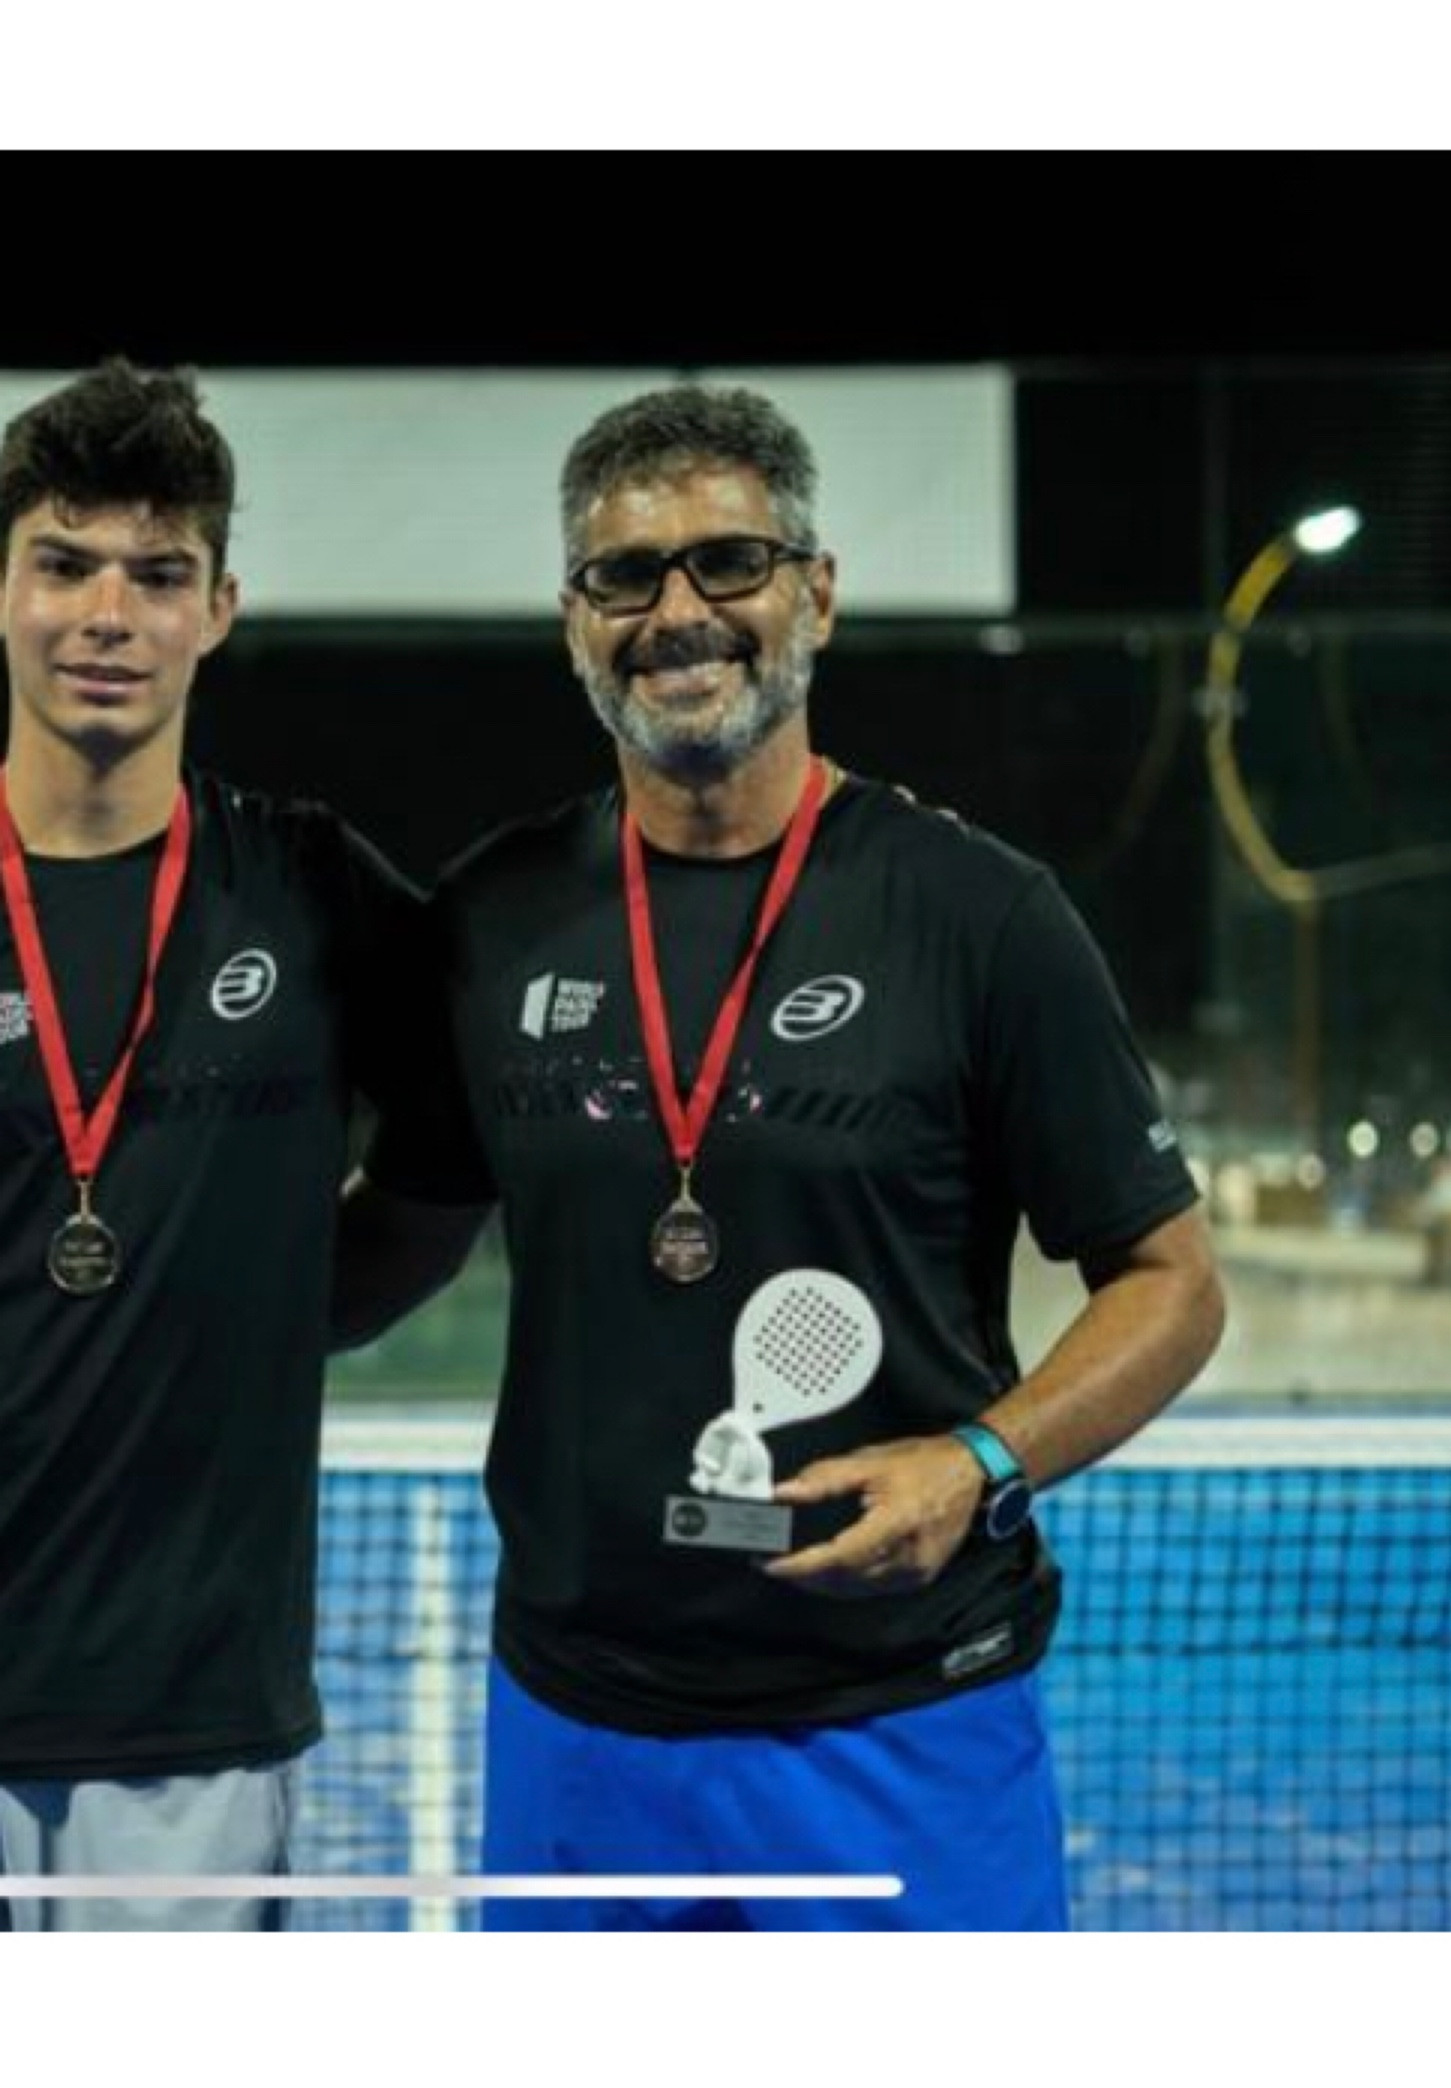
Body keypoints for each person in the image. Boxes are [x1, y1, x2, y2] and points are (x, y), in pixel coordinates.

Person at [343, 383, 1226, 1930]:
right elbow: (400, 1229)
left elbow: (1173, 1285)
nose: (680, 612)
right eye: (628, 575)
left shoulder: (983, 917)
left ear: (815, 593)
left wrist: (982, 1461)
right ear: (576, 623)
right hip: (581, 1731)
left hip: (904, 1722)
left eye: (731, 563)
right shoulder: (492, 918)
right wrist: (149, 1309)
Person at [0, 358, 475, 1931]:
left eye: (157, 573)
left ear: (218, 608)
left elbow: (453, 1155)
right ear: (2, 589)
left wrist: (286, 1307)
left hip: (190, 1722)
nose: (107, 614)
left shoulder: (309, 888)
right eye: (64, 563)